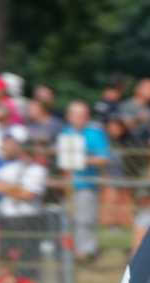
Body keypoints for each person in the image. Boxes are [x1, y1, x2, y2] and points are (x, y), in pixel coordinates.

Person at [55, 100, 108, 262]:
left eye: (82, 115)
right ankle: (70, 250)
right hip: (69, 183)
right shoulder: (65, 133)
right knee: (68, 218)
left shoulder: (95, 134)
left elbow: (103, 159)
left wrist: (81, 160)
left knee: (85, 219)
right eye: (75, 115)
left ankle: (86, 252)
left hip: (87, 184)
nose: (78, 118)